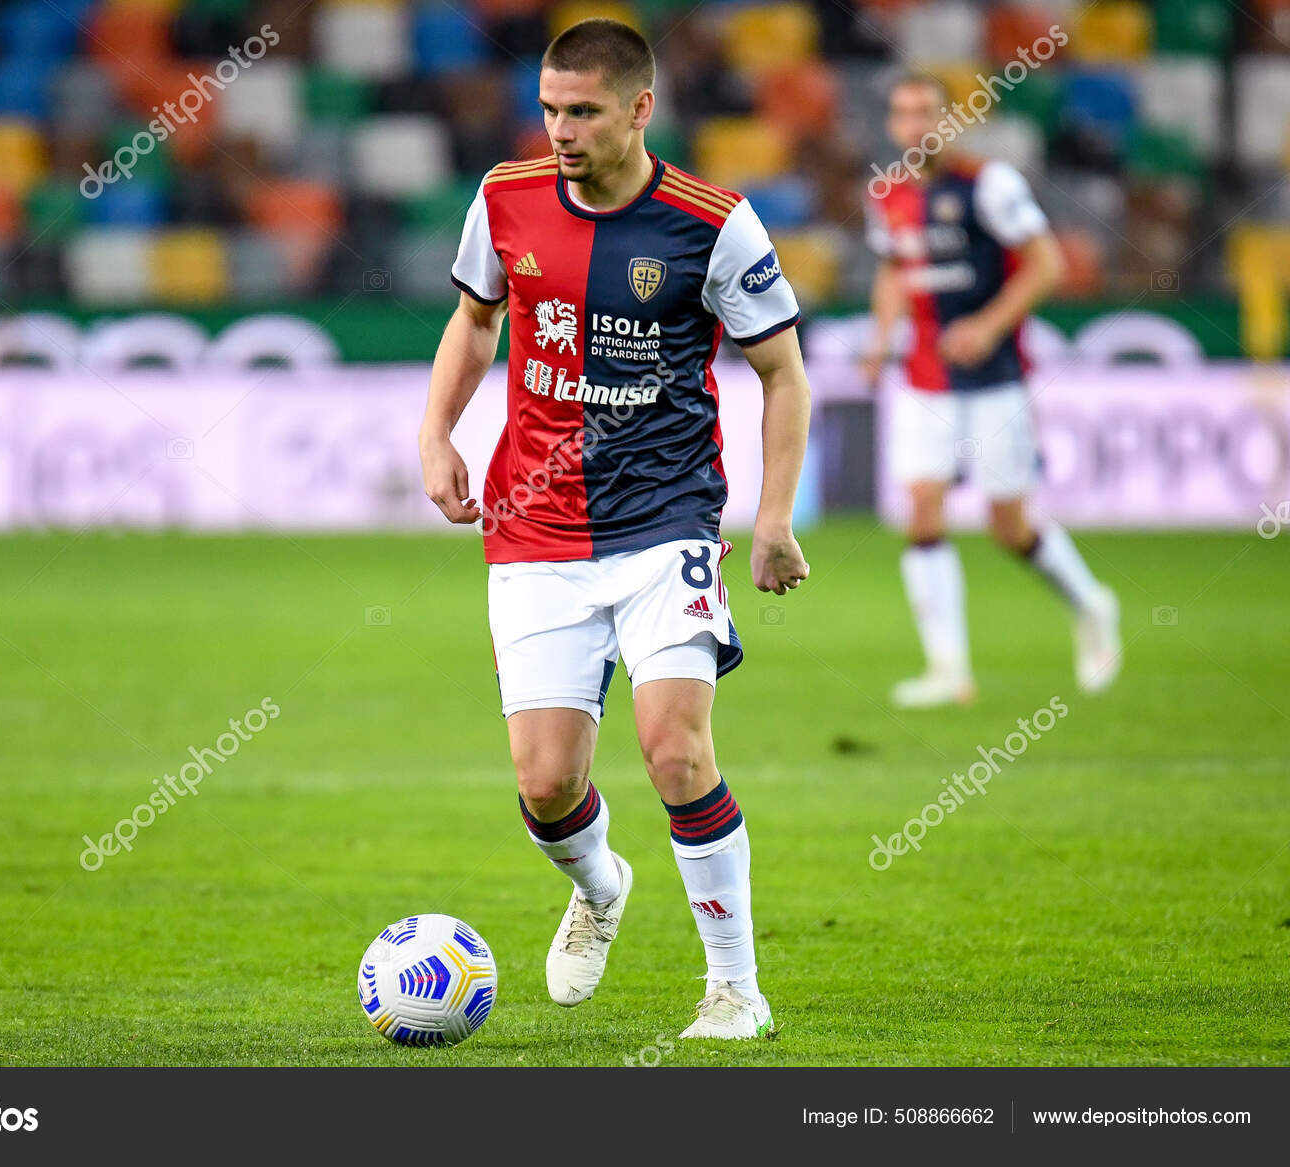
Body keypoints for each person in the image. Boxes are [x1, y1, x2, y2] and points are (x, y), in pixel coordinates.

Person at [417, 19, 813, 1039]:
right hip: (534, 525)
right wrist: (435, 436)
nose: (559, 129)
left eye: (582, 111)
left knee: (674, 753)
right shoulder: (503, 197)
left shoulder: (713, 223)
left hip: (664, 522)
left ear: (641, 109)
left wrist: (769, 517)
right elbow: (474, 319)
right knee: (547, 783)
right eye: (549, 108)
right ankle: (598, 885)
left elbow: (782, 373)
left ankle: (734, 991)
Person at [862, 73, 1121, 708]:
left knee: (1009, 525)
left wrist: (987, 324)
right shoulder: (885, 194)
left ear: (950, 122)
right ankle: (949, 669)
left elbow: (1048, 264)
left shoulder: (991, 185)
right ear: (892, 126)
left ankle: (1091, 603)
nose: (915, 125)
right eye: (903, 114)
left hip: (995, 378)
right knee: (922, 509)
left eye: (927, 113)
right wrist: (880, 338)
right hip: (925, 377)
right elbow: (896, 270)